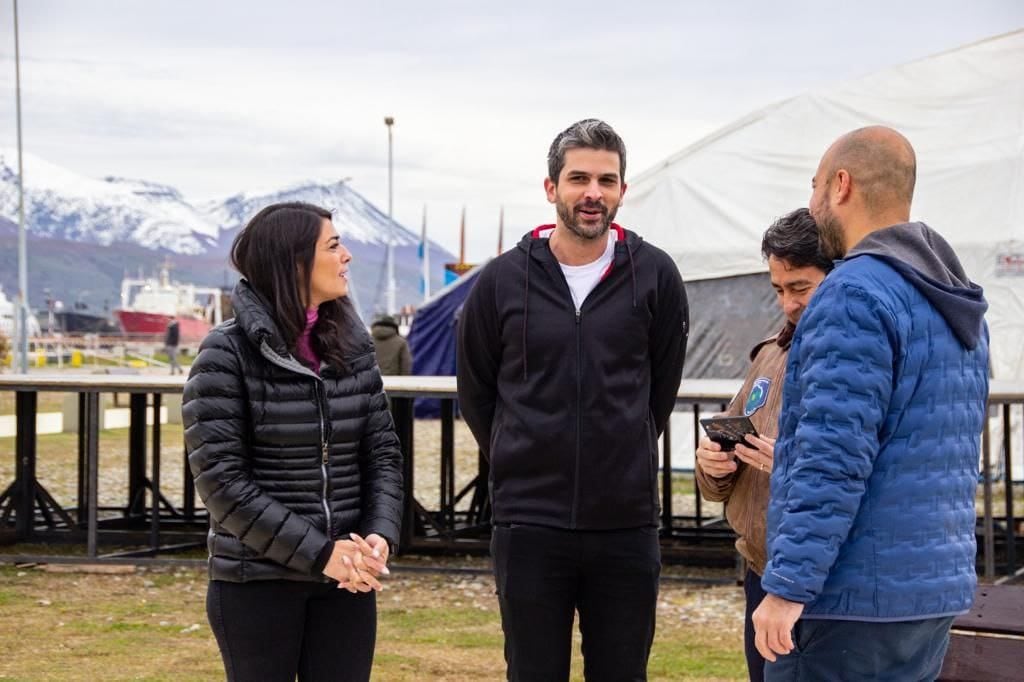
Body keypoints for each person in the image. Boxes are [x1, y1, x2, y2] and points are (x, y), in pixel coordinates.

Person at [753, 127, 990, 680]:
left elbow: (831, 457)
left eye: (814, 188)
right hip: (930, 593)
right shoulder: (951, 294)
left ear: (841, 185)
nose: (811, 205)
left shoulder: (853, 292)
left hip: (851, 600)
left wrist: (787, 586)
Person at [457, 118, 689, 681]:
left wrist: (622, 447)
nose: (593, 193)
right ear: (551, 188)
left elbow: (660, 390)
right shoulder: (500, 282)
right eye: (578, 178)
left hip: (625, 525)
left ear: (622, 192)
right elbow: (477, 391)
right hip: (528, 524)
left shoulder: (655, 275)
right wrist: (522, 453)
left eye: (606, 181)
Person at [182, 201, 403, 682]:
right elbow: (222, 484)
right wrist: (322, 554)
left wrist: (378, 535)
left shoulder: (353, 345)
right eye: (334, 245)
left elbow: (382, 453)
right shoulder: (225, 353)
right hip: (257, 582)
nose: (346, 256)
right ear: (294, 261)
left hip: (347, 580)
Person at [694, 208, 831, 682]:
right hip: (761, 571)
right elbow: (717, 480)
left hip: (818, 583)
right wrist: (713, 465)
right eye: (778, 290)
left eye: (801, 288)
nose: (788, 304)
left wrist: (789, 464)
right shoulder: (770, 352)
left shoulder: (854, 355)